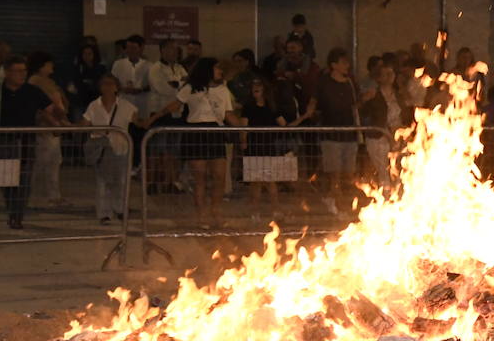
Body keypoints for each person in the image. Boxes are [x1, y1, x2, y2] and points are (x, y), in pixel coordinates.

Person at [0, 55, 67, 228]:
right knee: (6, 179)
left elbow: (51, 110)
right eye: (18, 71)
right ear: (7, 72)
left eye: (24, 71)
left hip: (26, 142)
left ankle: (16, 214)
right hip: (3, 141)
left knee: (24, 180)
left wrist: (60, 113)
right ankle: (13, 208)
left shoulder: (32, 91)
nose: (22, 74)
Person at [148, 57, 239, 228]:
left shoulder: (223, 90)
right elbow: (174, 105)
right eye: (217, 68)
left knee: (219, 176)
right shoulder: (190, 88)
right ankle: (201, 215)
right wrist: (154, 118)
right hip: (196, 131)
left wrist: (244, 131)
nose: (220, 71)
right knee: (200, 178)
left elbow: (228, 113)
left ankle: (216, 210)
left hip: (215, 132)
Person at [296, 47, 360, 215]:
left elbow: (355, 106)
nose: (347, 65)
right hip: (331, 134)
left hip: (349, 133)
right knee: (334, 174)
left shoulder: (350, 82)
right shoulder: (324, 81)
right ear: (334, 64)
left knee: (348, 174)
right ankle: (335, 205)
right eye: (343, 62)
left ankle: (345, 206)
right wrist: (310, 110)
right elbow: (314, 100)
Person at [82, 74, 138, 224]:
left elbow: (139, 122)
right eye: (104, 84)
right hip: (102, 148)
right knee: (102, 181)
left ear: (116, 87)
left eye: (110, 84)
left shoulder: (126, 106)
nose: (107, 87)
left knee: (121, 180)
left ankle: (120, 209)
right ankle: (104, 213)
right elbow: (84, 124)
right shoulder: (94, 105)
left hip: (121, 147)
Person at [240, 76, 289, 213]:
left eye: (259, 87)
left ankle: (275, 209)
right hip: (254, 145)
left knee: (269, 179)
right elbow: (244, 125)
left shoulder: (272, 106)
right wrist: (243, 140)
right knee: (255, 181)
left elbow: (283, 123)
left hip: (267, 145)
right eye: (253, 87)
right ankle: (255, 210)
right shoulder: (248, 107)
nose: (255, 89)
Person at [146, 39, 188, 196]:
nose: (174, 52)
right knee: (157, 150)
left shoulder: (180, 68)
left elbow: (187, 86)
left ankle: (170, 182)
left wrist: (176, 84)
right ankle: (152, 182)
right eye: (170, 49)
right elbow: (163, 88)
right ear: (162, 50)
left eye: (176, 49)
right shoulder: (155, 68)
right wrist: (179, 85)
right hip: (159, 112)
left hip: (177, 113)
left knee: (173, 150)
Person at [27, 52, 67, 207]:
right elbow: (41, 106)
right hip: (45, 126)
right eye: (49, 64)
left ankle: (53, 194)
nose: (52, 67)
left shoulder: (47, 81)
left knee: (54, 160)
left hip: (53, 125)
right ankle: (29, 193)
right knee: (42, 161)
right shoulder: (36, 82)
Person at [360, 60, 403, 187]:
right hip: (379, 138)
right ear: (379, 78)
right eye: (386, 74)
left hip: (397, 136)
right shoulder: (373, 95)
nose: (390, 76)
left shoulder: (398, 94)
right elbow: (362, 111)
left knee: (397, 169)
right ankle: (385, 196)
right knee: (383, 170)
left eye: (391, 73)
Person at [111, 35, 149, 165]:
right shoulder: (118, 64)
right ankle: (124, 163)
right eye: (127, 48)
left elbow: (152, 86)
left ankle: (138, 164)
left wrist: (142, 89)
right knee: (125, 136)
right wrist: (122, 88)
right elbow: (113, 83)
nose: (130, 51)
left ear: (141, 48)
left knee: (140, 137)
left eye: (133, 48)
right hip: (124, 105)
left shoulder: (149, 65)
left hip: (142, 106)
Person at [67, 43, 107, 121]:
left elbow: (102, 83)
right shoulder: (77, 68)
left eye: (89, 54)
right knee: (79, 124)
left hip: (95, 100)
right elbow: (73, 84)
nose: (86, 56)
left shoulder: (101, 68)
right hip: (80, 101)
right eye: (84, 53)